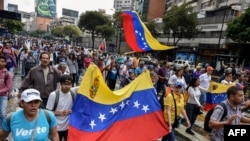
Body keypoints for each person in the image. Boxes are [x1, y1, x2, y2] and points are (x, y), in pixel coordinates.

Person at [46, 75, 75, 141]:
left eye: (69, 84)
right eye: (65, 84)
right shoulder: (54, 95)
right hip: (56, 128)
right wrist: (61, 113)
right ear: (60, 84)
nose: (67, 86)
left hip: (68, 128)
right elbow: (48, 113)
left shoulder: (73, 94)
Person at [0, 55, 13, 130]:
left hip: (3, 96)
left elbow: (8, 87)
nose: (0, 63)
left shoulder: (8, 74)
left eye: (2, 61)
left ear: (5, 63)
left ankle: (3, 131)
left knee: (3, 113)